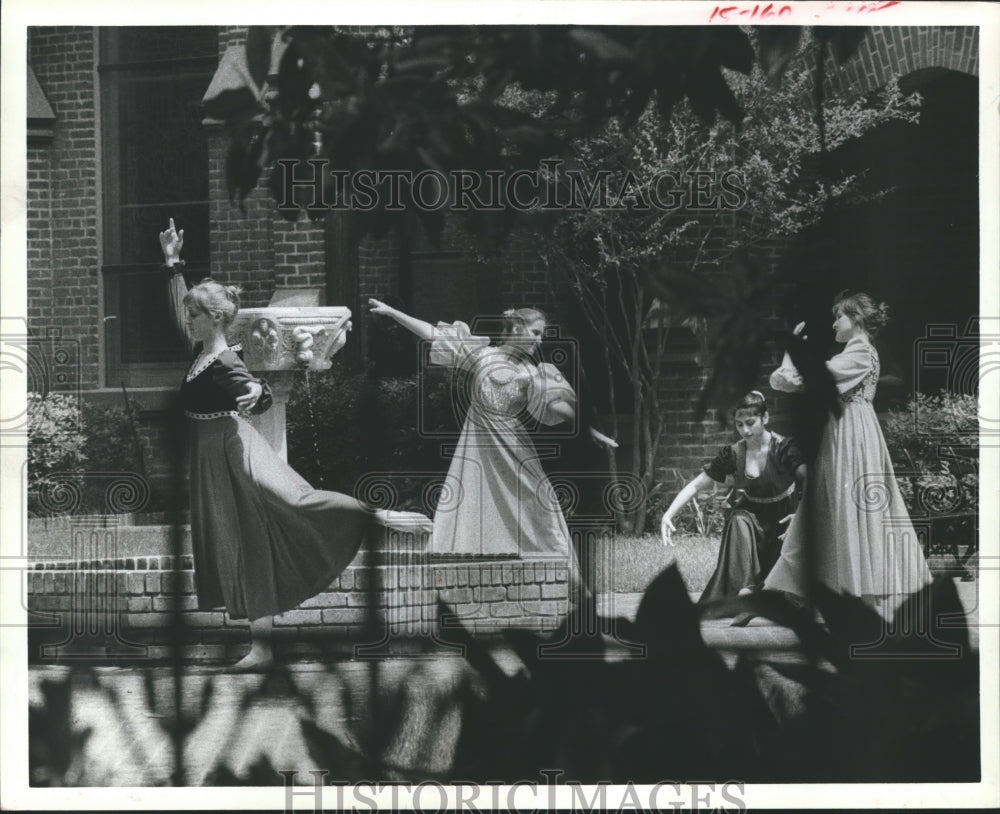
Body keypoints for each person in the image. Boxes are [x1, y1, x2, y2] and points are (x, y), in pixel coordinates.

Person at [159, 219, 430, 672]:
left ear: (215, 319)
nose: (188, 320)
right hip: (211, 456)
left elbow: (255, 389)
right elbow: (176, 312)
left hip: (231, 451)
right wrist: (173, 264)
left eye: (195, 315)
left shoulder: (224, 361)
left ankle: (373, 515)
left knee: (290, 504)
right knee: (243, 542)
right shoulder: (200, 352)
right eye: (189, 314)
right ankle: (262, 649)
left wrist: (257, 393)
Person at [368, 299, 616, 562]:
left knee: (539, 498)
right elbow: (434, 334)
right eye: (535, 333)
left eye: (541, 335)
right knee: (473, 502)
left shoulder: (533, 373)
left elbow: (556, 405)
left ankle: (558, 565)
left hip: (512, 446)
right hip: (477, 445)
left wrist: (590, 430)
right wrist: (394, 313)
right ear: (517, 329)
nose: (539, 340)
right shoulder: (482, 356)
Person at [761, 290, 932, 616]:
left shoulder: (862, 352)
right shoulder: (853, 353)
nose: (834, 323)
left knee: (847, 507)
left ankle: (852, 596)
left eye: (839, 316)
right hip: (843, 434)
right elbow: (790, 382)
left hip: (853, 436)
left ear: (857, 318)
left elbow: (813, 376)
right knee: (828, 505)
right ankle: (797, 589)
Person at [660, 391, 805, 607]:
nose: (745, 430)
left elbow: (813, 483)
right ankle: (744, 592)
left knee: (788, 596)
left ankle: (771, 591)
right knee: (738, 519)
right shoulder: (733, 453)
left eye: (750, 423)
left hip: (785, 515)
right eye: (739, 424)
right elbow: (696, 485)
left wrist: (801, 517)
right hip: (751, 516)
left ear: (765, 418)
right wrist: (668, 515)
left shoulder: (784, 448)